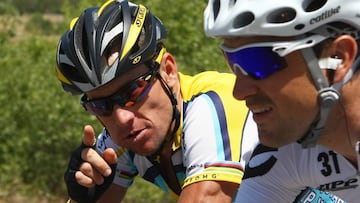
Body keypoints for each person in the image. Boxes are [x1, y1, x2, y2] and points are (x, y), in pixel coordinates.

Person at [55, 0, 258, 202]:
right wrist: (80, 199)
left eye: (133, 91)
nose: (122, 118)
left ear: (168, 71)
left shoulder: (213, 104)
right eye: (101, 106)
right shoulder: (120, 141)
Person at [204, 0, 360, 202]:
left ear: (337, 58)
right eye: (232, 61)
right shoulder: (281, 156)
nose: (239, 92)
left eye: (257, 61)